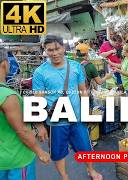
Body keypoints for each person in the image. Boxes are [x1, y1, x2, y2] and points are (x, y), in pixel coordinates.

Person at [32, 35, 102, 180]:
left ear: (63, 48)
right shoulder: (40, 72)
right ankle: (65, 177)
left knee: (85, 147)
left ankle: (91, 170)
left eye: (57, 49)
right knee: (59, 152)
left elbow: (83, 91)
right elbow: (38, 101)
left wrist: (86, 112)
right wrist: (39, 126)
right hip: (56, 122)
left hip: (77, 118)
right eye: (50, 50)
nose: (54, 53)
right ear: (45, 51)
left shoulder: (75, 66)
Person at [0, 47, 51, 180]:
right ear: (5, 63)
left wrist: (38, 126)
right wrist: (40, 152)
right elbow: (22, 130)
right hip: (15, 159)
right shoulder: (7, 96)